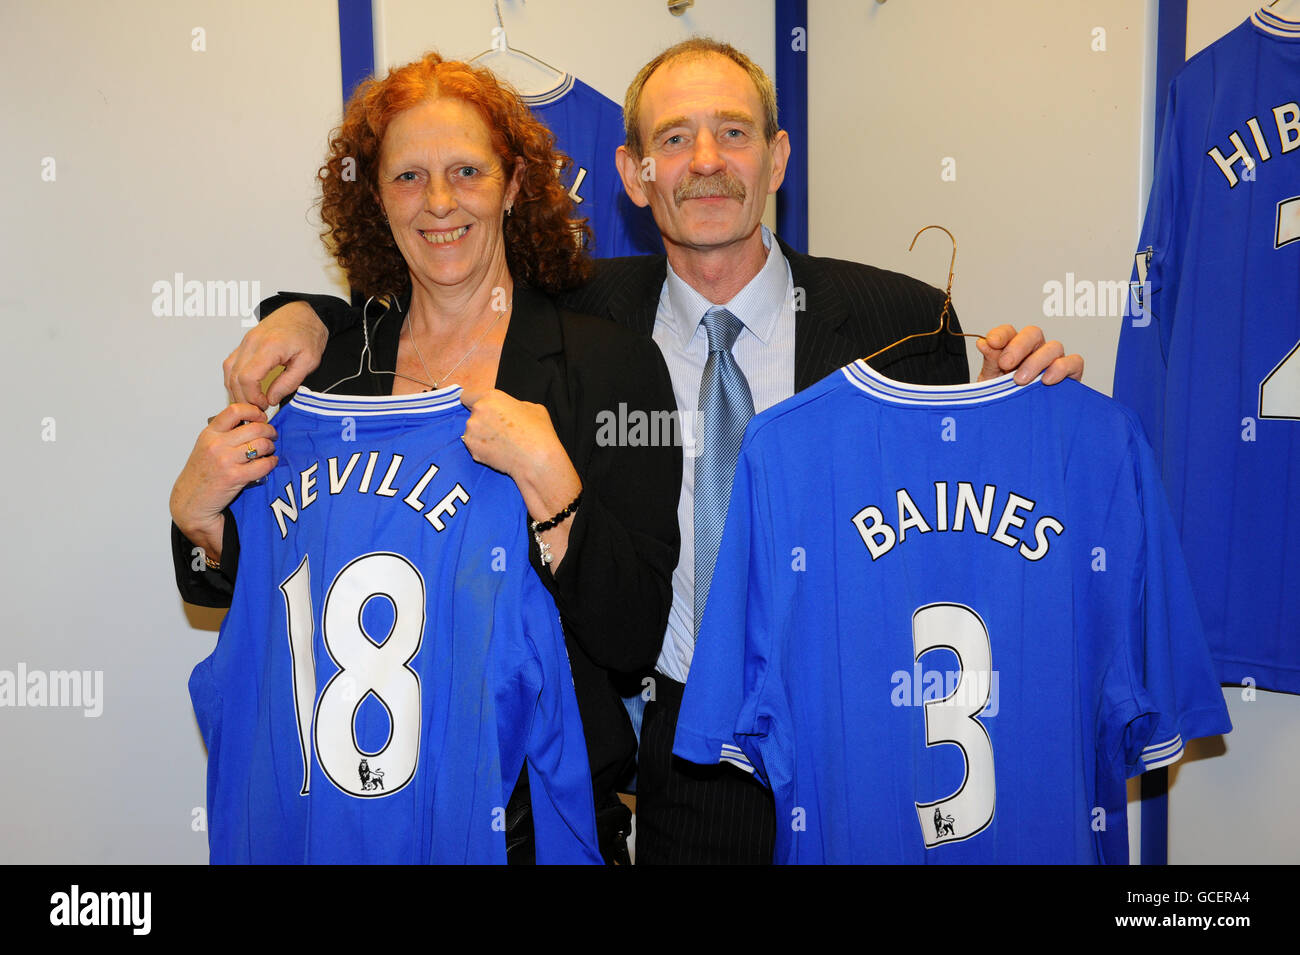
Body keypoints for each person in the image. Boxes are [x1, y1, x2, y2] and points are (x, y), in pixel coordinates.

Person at [217, 38, 1084, 864]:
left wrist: (1014, 399)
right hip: (684, 762)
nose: (705, 159)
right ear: (634, 174)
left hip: (868, 734)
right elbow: (427, 290)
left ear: (777, 159)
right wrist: (301, 315)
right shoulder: (591, 314)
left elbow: (963, 513)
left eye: (733, 133)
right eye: (674, 138)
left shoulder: (904, 322)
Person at [169, 52, 682, 864]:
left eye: (467, 171)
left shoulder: (607, 367)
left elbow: (632, 634)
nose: (438, 202)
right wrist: (198, 517)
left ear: (514, 184)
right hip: (346, 816)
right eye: (408, 177)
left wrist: (553, 489)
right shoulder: (329, 366)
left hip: (530, 824)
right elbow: (283, 581)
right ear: (375, 197)